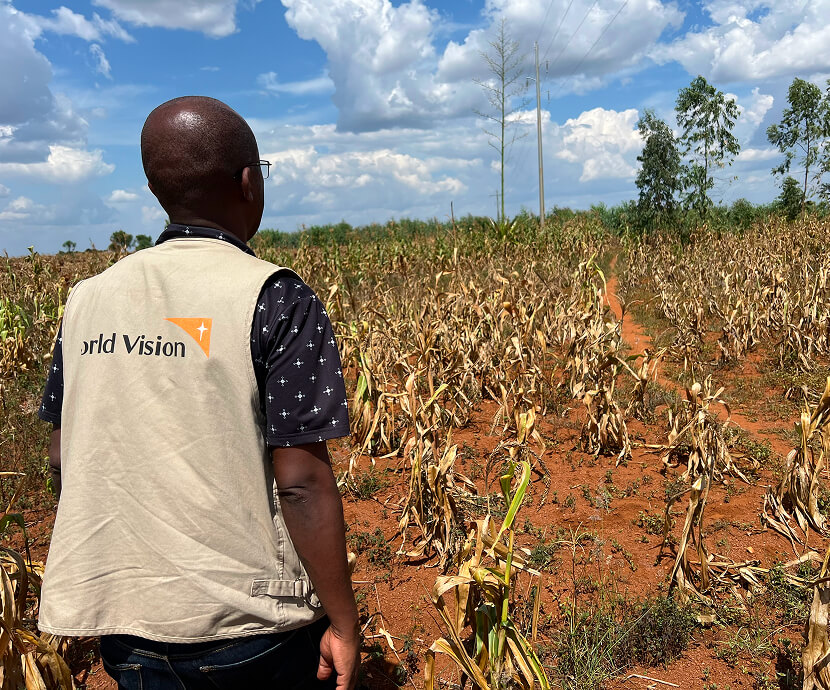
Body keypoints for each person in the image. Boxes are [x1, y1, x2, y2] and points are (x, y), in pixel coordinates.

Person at [37, 96, 360, 690]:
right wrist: (343, 621)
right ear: (248, 182)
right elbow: (301, 483)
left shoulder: (87, 299)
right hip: (251, 632)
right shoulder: (276, 297)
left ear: (156, 187)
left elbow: (62, 457)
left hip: (125, 627)